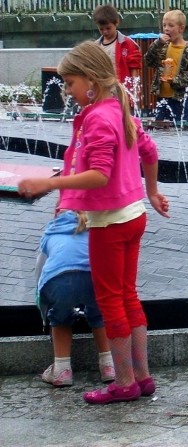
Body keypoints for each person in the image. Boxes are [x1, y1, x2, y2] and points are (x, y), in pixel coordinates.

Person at [17, 41, 170, 403]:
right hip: (134, 215)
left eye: (69, 83)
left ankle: (124, 384)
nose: (67, 91)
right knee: (129, 297)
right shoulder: (118, 109)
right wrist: (150, 191)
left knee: (110, 302)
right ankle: (143, 378)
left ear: (90, 79)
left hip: (110, 223)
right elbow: (148, 150)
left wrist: (49, 183)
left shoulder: (100, 117)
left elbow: (99, 175)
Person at [35, 210, 115, 388]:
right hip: (93, 277)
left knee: (60, 316)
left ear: (57, 213)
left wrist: (42, 301)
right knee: (99, 313)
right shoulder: (95, 226)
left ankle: (62, 370)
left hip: (58, 280)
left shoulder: (51, 233)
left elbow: (40, 269)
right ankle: (108, 365)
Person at [143, 9, 188, 122]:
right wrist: (157, 44)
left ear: (181, 28)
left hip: (181, 98)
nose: (166, 28)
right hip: (162, 97)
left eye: (171, 25)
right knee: (160, 128)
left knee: (183, 129)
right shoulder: (162, 47)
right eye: (164, 25)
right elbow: (148, 61)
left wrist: (175, 80)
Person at [93, 4, 142, 100]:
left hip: (121, 89)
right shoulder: (96, 46)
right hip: (103, 89)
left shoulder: (127, 43)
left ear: (116, 23)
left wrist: (134, 90)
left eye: (108, 28)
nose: (105, 32)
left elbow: (134, 67)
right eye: (101, 29)